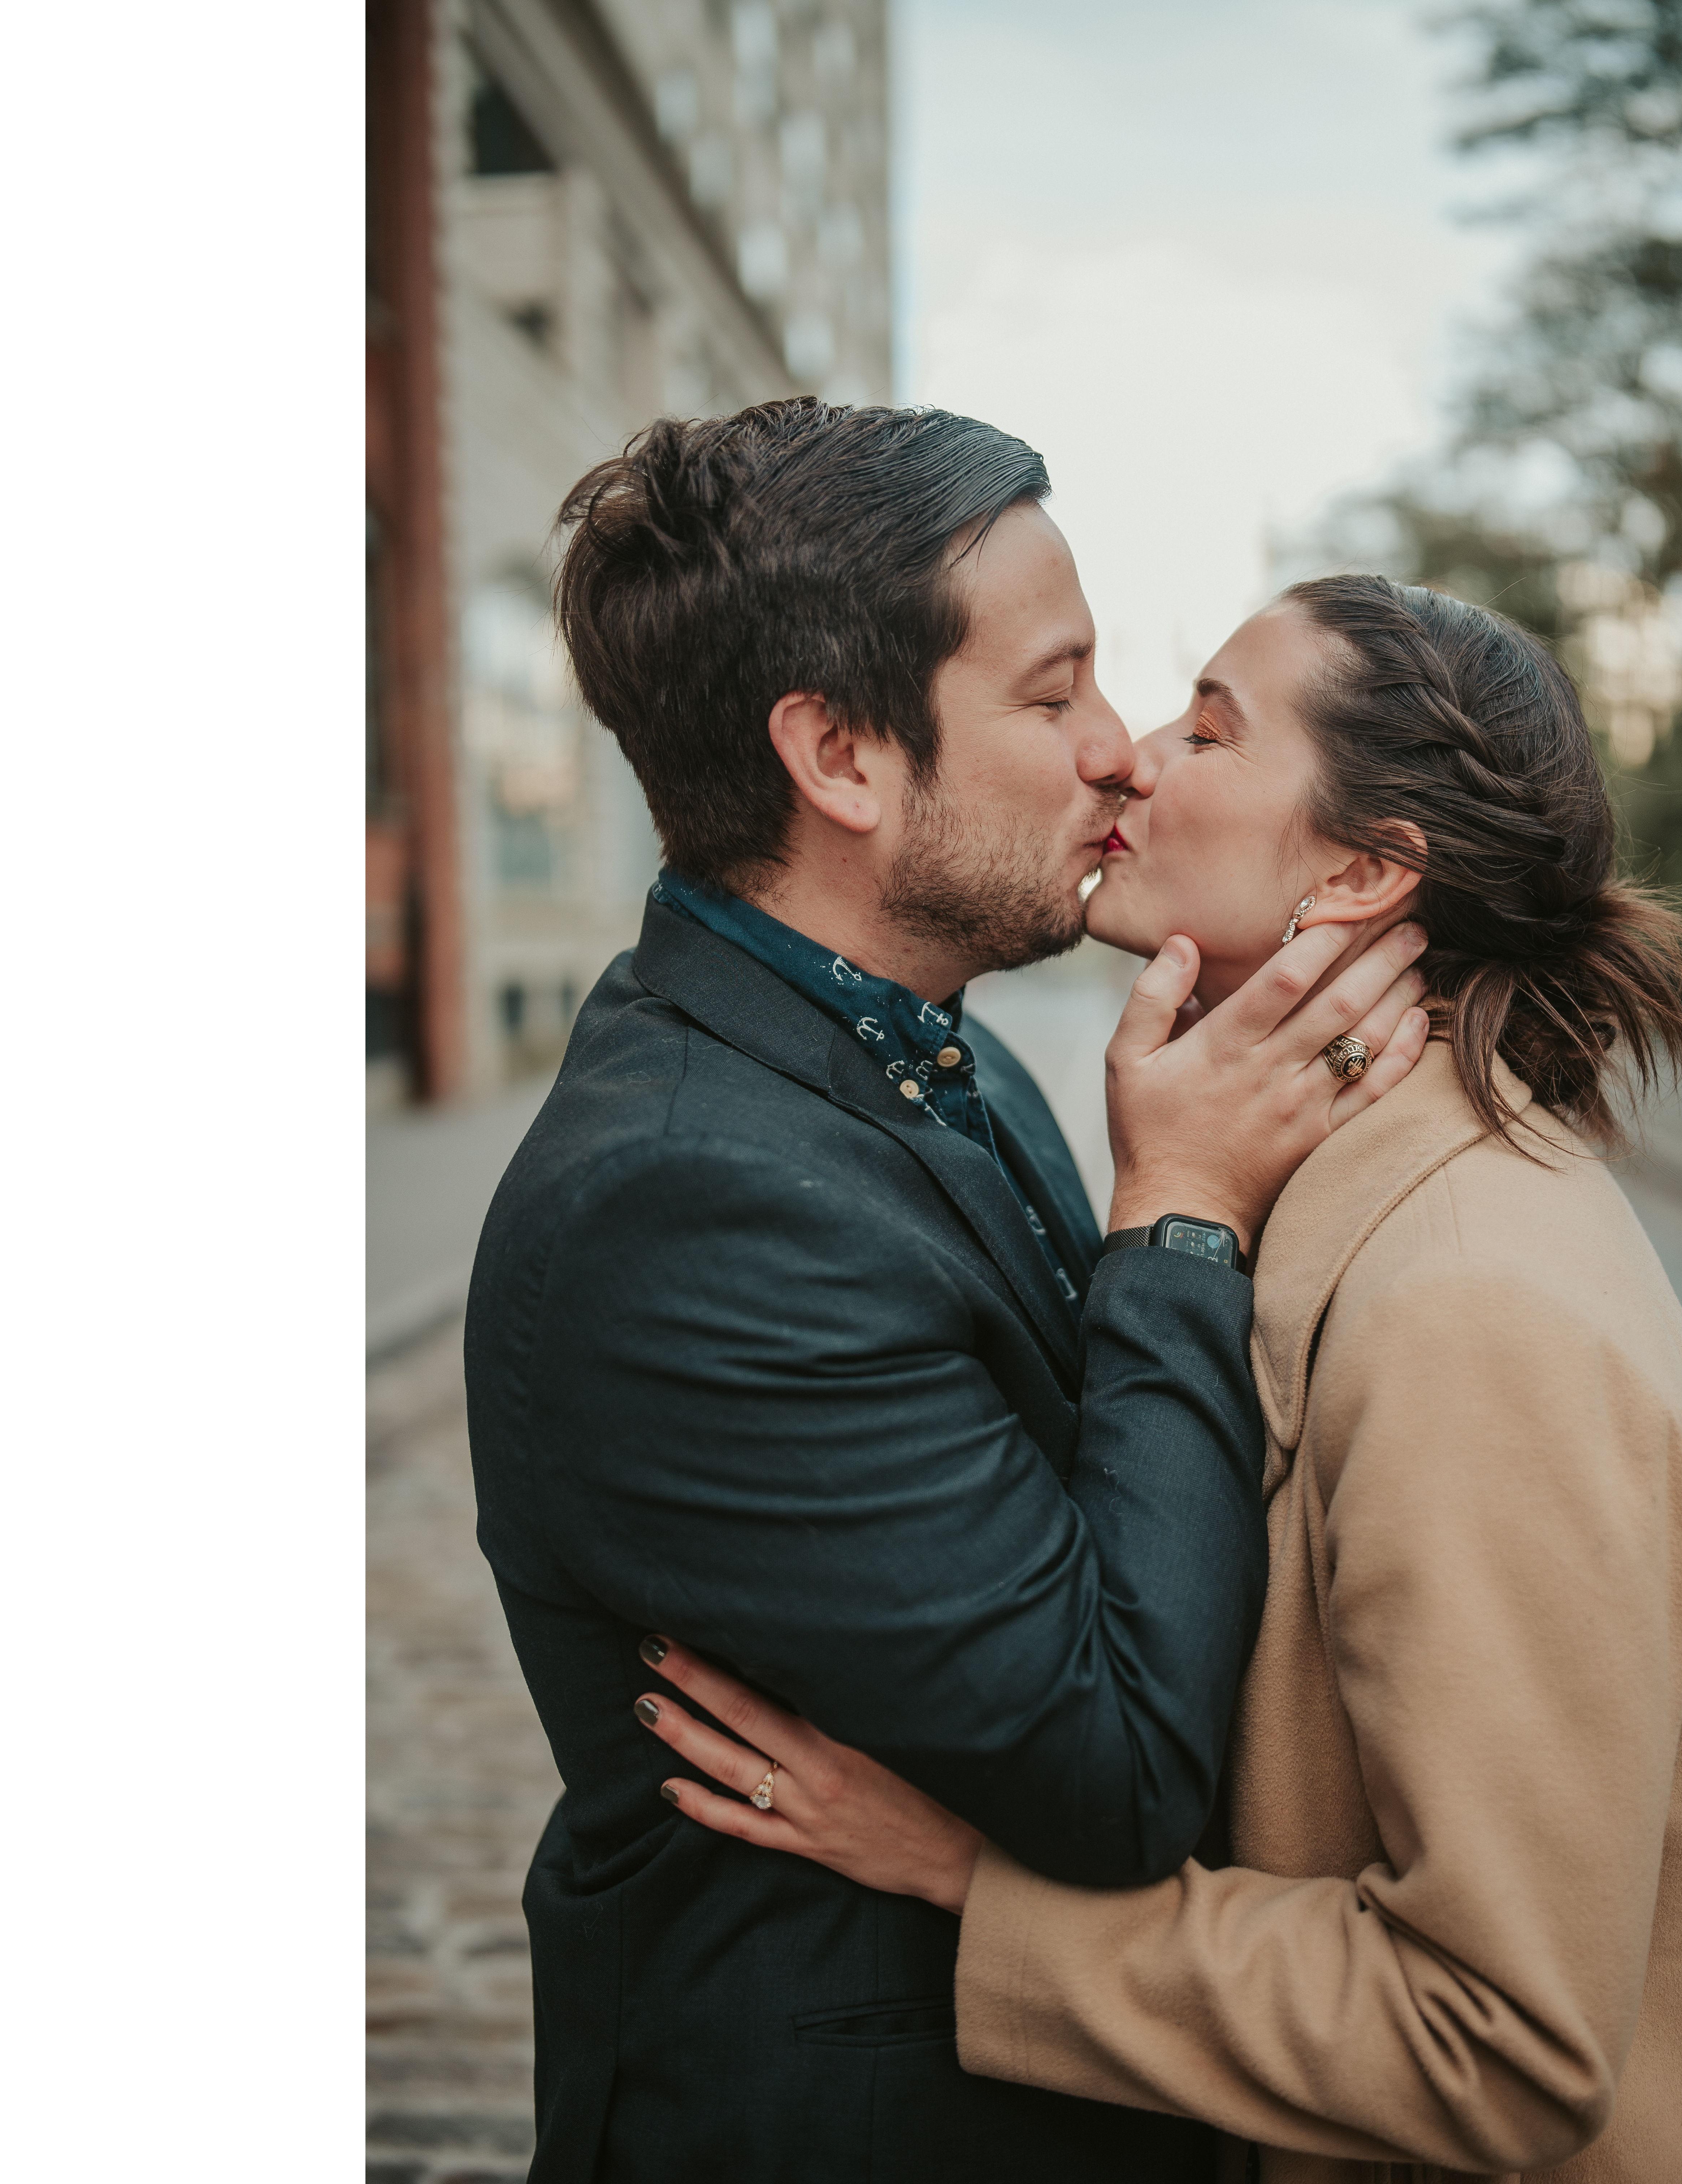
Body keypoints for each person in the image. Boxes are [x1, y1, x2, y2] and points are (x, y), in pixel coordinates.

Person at [634, 576, 1682, 2183]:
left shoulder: (1468, 1308)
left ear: (1359, 872)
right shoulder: (1330, 1185)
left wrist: (984, 1886)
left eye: (1208, 731)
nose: (1132, 758)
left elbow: (1504, 2039)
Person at [463, 399, 1433, 2183]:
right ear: (841, 755)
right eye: (1055, 696)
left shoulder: (926, 1050)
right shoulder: (689, 1208)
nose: (1121, 753)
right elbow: (1118, 1764)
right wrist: (1183, 1213)